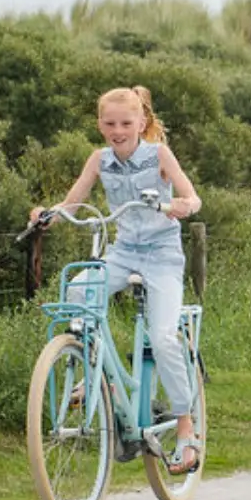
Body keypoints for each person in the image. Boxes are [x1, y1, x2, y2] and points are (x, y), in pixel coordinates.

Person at [31, 86, 205, 474]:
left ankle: (186, 428)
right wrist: (48, 214)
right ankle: (99, 377)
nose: (118, 130)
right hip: (123, 251)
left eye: (126, 123)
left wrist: (182, 205)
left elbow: (192, 197)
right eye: (109, 123)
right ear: (100, 125)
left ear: (142, 123)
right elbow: (73, 202)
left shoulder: (159, 154)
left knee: (162, 338)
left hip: (161, 255)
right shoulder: (99, 160)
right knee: (79, 290)